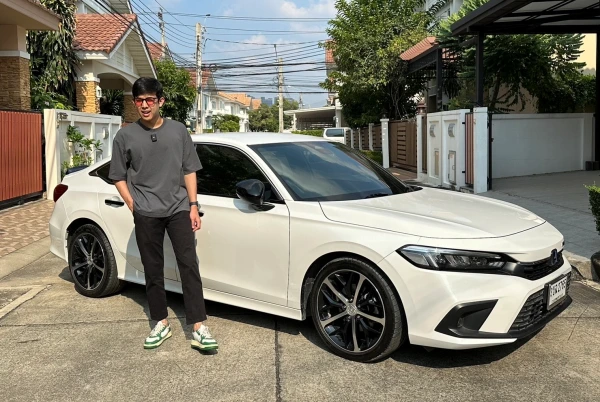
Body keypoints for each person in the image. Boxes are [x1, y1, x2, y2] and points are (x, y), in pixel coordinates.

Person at [108, 77, 218, 352]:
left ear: (161, 101)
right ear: (135, 103)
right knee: (153, 269)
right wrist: (133, 204)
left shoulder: (178, 130)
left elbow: (189, 169)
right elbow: (118, 175)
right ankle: (161, 322)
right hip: (146, 211)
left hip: (178, 207)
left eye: (150, 100)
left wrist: (193, 205)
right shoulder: (125, 136)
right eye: (139, 100)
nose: (144, 105)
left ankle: (198, 327)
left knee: (189, 265)